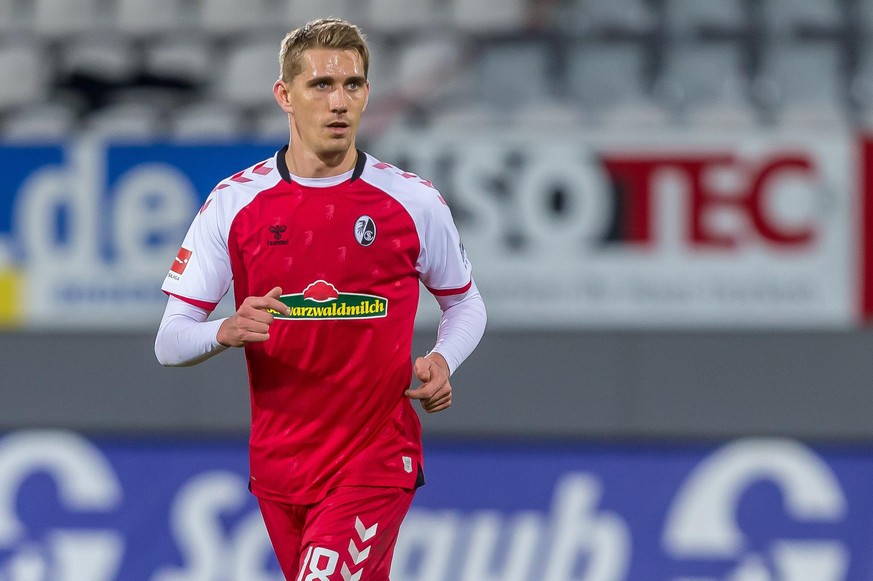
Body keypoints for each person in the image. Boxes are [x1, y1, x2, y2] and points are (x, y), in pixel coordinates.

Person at [154, 17, 486, 580]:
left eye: (352, 85)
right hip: (280, 469)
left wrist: (441, 360)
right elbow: (169, 341)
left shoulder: (411, 201)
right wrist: (224, 330)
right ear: (285, 95)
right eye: (321, 85)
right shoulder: (235, 204)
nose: (339, 102)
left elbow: (466, 304)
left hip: (375, 460)